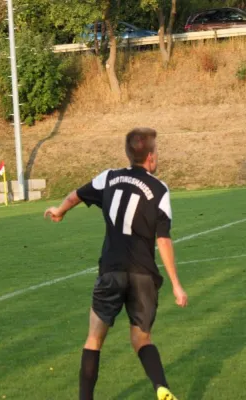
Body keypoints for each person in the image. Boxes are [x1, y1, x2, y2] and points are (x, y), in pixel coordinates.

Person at [44, 127, 188, 400]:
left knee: (94, 339)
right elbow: (164, 240)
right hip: (143, 276)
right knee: (141, 339)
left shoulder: (108, 178)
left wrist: (59, 210)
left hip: (111, 271)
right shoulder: (159, 189)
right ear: (150, 158)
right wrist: (177, 286)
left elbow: (76, 195)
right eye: (156, 151)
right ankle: (161, 387)